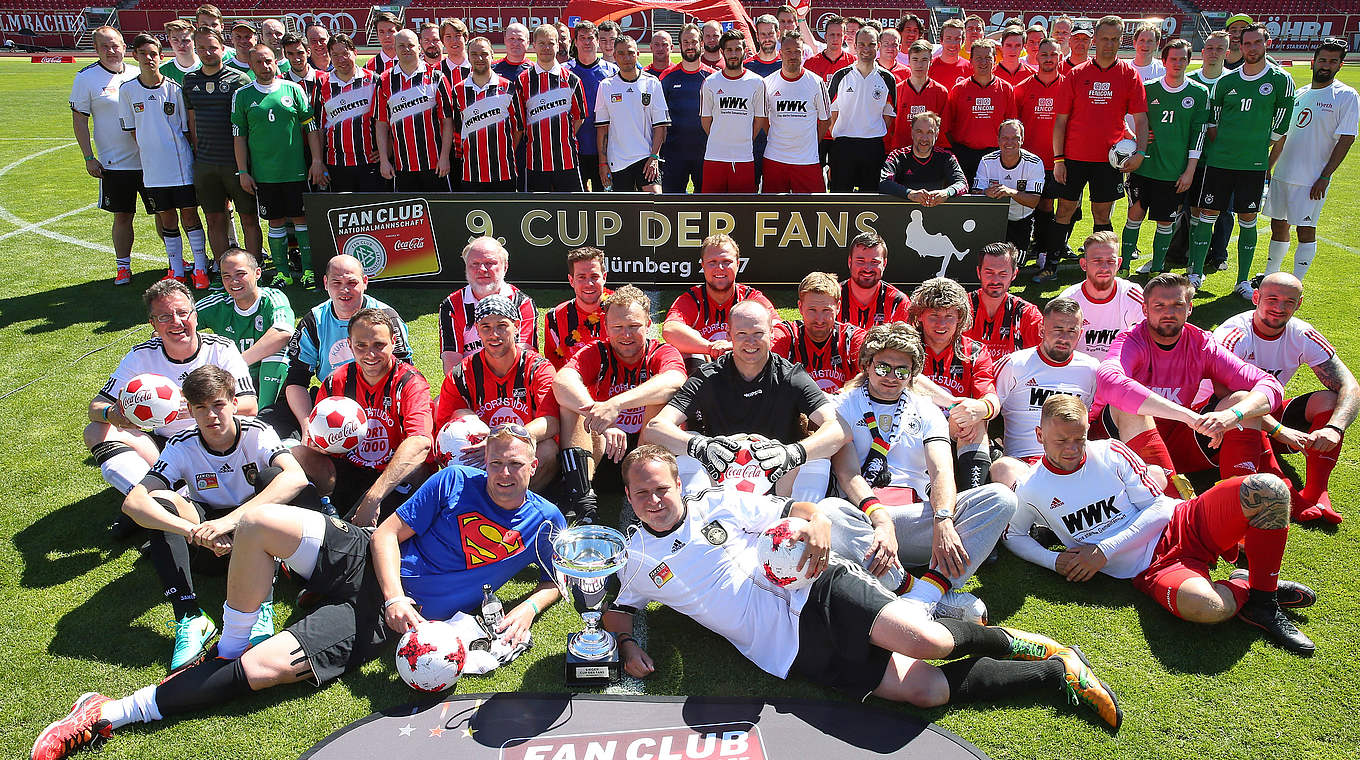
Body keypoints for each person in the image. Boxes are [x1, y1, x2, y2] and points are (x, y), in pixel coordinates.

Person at [30, 428, 564, 760]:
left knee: (260, 674)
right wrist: (396, 592)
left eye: (516, 464)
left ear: (533, 467)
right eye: (496, 462)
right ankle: (230, 644)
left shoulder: (546, 520)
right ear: (484, 462)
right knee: (259, 523)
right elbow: (384, 534)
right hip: (369, 562)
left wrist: (528, 606)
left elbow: (562, 577)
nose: (504, 473)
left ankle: (109, 713)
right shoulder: (453, 481)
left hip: (386, 620)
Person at [603, 445, 1120, 729]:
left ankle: (1023, 642)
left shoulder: (717, 504)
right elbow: (620, 607)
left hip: (815, 591)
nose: (654, 500)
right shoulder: (636, 559)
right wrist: (626, 642)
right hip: (783, 651)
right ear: (628, 494)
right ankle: (1057, 670)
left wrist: (818, 525)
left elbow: (799, 510)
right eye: (642, 492)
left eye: (662, 488)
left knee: (930, 642)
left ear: (677, 485)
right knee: (925, 691)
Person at [1005, 395, 1316, 655]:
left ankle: (1264, 600)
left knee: (1268, 490)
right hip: (1152, 569)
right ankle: (1247, 585)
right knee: (1208, 607)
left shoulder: (1111, 451)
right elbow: (1014, 535)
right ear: (1039, 435)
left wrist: (1103, 550)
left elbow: (1161, 505)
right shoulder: (1031, 488)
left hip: (1187, 521)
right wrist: (1054, 560)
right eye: (1061, 440)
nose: (1072, 448)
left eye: (1080, 438)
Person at [813, 322, 1014, 620]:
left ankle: (923, 593)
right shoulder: (844, 405)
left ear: (913, 374)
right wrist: (880, 520)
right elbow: (847, 473)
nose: (892, 377)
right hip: (865, 524)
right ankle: (921, 593)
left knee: (1001, 498)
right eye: (882, 368)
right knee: (828, 512)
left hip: (919, 521)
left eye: (902, 370)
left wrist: (943, 520)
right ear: (867, 365)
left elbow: (942, 470)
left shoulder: (926, 408)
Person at [121, 365, 310, 668]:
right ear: (190, 411)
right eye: (201, 408)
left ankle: (260, 605)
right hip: (209, 542)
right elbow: (134, 502)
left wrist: (230, 521)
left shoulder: (256, 433)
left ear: (235, 403)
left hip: (254, 534)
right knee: (159, 501)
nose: (211, 416)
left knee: (274, 476)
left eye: (218, 405)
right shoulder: (181, 444)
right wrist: (191, 531)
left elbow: (296, 477)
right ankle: (189, 616)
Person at [1093, 273, 1283, 496]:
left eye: (1177, 305)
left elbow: (1270, 385)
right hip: (1117, 444)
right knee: (1129, 407)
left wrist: (1232, 416)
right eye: (1159, 305)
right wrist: (1188, 416)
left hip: (1176, 437)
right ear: (1145, 310)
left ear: (1190, 308)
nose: (1169, 312)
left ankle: (1240, 497)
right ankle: (1174, 503)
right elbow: (1109, 381)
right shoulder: (1131, 339)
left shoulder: (1202, 343)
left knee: (1242, 401)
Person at [85, 280, 256, 517]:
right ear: (153, 324)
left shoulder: (221, 349)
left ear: (195, 316)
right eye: (164, 317)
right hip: (165, 444)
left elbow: (249, 406)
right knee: (96, 430)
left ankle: (155, 506)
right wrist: (112, 414)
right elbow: (96, 406)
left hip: (216, 439)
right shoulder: (141, 355)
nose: (176, 322)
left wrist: (192, 406)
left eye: (182, 313)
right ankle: (152, 498)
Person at [646, 300, 832, 500]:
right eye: (742, 334)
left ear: (771, 332)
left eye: (758, 333)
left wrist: (793, 453)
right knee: (686, 451)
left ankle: (798, 521)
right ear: (729, 335)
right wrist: (702, 447)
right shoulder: (709, 376)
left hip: (779, 476)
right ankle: (699, 518)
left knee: (819, 456)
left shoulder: (790, 375)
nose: (750, 342)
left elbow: (838, 427)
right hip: (722, 475)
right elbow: (654, 428)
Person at [1212, 273, 1357, 523]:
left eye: (1289, 302)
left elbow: (1350, 386)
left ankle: (1317, 491)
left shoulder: (1302, 334)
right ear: (1256, 298)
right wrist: (1280, 431)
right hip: (1221, 423)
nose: (1280, 308)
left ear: (1299, 304)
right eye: (1272, 299)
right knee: (1244, 400)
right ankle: (1285, 488)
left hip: (1267, 419)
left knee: (1329, 401)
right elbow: (1227, 397)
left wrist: (1334, 427)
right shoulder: (1233, 334)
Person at [553, 286, 687, 520]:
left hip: (647, 453)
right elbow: (562, 381)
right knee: (571, 406)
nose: (626, 334)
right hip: (606, 448)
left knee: (660, 400)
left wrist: (614, 404)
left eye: (634, 326)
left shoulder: (662, 352)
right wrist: (600, 417)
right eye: (618, 327)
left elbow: (675, 381)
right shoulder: (596, 351)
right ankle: (583, 499)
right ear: (606, 328)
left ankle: (646, 492)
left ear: (648, 324)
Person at [292, 308, 433, 527]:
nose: (370, 354)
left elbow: (421, 443)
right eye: (361, 346)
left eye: (379, 345)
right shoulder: (336, 381)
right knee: (295, 455)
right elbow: (316, 438)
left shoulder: (410, 383)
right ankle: (325, 506)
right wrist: (316, 441)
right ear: (349, 344)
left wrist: (373, 498)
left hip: (393, 476)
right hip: (351, 469)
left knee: (354, 531)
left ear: (394, 342)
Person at [1037, 16, 1148, 284]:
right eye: (1104, 38)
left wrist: (1140, 153)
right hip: (1074, 158)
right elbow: (1060, 121)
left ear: (1121, 41)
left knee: (1102, 213)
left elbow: (1141, 119)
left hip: (1109, 161)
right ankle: (1051, 264)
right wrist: (1059, 159)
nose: (1109, 44)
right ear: (1095, 40)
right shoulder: (1076, 74)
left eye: (1114, 39)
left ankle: (1101, 264)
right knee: (1064, 210)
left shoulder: (1129, 74)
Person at [1190, 23, 1295, 300]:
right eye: (1246, 43)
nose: (1251, 48)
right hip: (1220, 163)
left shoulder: (1280, 80)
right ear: (1240, 46)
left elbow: (1282, 124)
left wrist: (1258, 146)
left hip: (1253, 166)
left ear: (1266, 44)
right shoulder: (1227, 82)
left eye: (1256, 43)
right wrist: (1226, 146)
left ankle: (1242, 281)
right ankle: (1195, 273)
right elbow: (1211, 122)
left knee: (1247, 219)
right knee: (1206, 215)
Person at [272, 255, 412, 439]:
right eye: (336, 282)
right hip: (332, 403)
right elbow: (297, 381)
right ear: (325, 283)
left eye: (352, 282)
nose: (344, 290)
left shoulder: (387, 318)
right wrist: (307, 424)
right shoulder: (314, 321)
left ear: (364, 282)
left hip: (380, 402)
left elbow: (405, 375)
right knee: (271, 418)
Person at [433, 296, 560, 493]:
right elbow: (445, 431)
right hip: (480, 458)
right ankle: (480, 500)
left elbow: (551, 421)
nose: (494, 334)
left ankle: (518, 502)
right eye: (486, 327)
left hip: (521, 453)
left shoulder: (537, 368)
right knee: (461, 415)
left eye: (502, 325)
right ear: (477, 330)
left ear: (516, 326)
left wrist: (501, 441)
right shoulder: (460, 375)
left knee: (549, 450)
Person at [1263, 38, 1356, 281]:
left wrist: (1325, 176)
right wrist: (1270, 166)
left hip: (1311, 179)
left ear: (1340, 66)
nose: (1326, 65)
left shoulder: (1346, 95)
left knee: (1305, 229)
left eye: (1333, 61)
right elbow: (1284, 134)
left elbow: (1346, 139)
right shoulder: (1300, 93)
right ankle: (1271, 278)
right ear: (1313, 62)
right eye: (1323, 60)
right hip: (1284, 173)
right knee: (1278, 226)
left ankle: (1297, 282)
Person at [232, 43, 324, 289]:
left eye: (269, 60)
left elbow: (311, 127)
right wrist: (243, 171)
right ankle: (282, 272)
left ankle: (308, 271)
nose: (265, 66)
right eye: (259, 62)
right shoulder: (242, 95)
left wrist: (316, 160)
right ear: (251, 65)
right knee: (275, 221)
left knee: (301, 219)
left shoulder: (293, 89)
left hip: (295, 170)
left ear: (276, 61)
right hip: (264, 174)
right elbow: (239, 137)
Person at [121, 34, 209, 289]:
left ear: (161, 56)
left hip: (180, 166)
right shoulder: (127, 91)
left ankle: (201, 268)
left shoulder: (174, 88)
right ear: (134, 56)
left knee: (190, 216)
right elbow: (132, 130)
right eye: (143, 53)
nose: (149, 58)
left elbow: (185, 128)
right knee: (167, 219)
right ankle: (177, 269)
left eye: (153, 54)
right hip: (152, 169)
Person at [1124, 39, 1210, 279]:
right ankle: (1124, 267)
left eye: (1183, 59)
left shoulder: (1198, 92)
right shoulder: (1148, 88)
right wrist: (1134, 136)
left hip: (1174, 172)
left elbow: (1198, 135)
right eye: (1173, 59)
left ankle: (1157, 269)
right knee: (1134, 214)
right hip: (1144, 168)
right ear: (1164, 61)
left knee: (1165, 222)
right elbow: (1128, 117)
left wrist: (1190, 171)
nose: (1178, 63)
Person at [71, 26, 145, 285]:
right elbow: (79, 120)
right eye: (105, 46)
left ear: (125, 46)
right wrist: (88, 157)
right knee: (123, 215)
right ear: (96, 50)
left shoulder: (139, 73)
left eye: (115, 45)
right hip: (114, 164)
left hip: (150, 160)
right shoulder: (86, 78)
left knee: (165, 213)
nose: (112, 50)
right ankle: (123, 266)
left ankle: (175, 261)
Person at [909, 277, 998, 491]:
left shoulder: (974, 351)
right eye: (934, 316)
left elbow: (991, 398)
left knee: (975, 420)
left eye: (949, 316)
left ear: (960, 317)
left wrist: (981, 408)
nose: (942, 324)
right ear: (920, 315)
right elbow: (907, 379)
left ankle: (974, 495)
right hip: (912, 427)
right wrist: (951, 408)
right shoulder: (906, 345)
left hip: (957, 430)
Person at [989, 298, 1099, 465]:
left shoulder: (1091, 369)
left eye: (1072, 331)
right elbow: (985, 407)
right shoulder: (1014, 364)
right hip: (1023, 463)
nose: (1064, 337)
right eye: (1057, 329)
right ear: (1041, 330)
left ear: (1081, 334)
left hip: (1073, 462)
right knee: (1003, 467)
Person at [183, 27, 261, 261]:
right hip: (206, 164)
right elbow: (191, 121)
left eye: (213, 47)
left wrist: (246, 164)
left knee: (248, 217)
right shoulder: (190, 81)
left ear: (222, 48)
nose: (208, 52)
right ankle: (221, 268)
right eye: (202, 48)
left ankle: (253, 267)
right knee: (215, 218)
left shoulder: (239, 79)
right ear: (196, 50)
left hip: (236, 163)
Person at [193, 246, 293, 406]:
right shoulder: (217, 303)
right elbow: (178, 323)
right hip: (232, 381)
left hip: (264, 376)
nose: (234, 281)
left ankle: (264, 413)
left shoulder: (272, 298)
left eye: (240, 274)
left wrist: (235, 363)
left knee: (277, 351)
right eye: (227, 276)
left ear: (257, 273)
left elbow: (283, 333)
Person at [662, 234, 777, 371]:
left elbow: (779, 331)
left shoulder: (751, 299)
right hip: (705, 369)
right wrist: (710, 348)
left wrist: (734, 346)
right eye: (712, 262)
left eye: (726, 261)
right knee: (689, 352)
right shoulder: (692, 299)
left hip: (745, 368)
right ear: (702, 265)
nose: (720, 268)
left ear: (738, 263)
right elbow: (670, 330)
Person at [437, 237, 537, 374]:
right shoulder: (452, 305)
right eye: (475, 264)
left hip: (514, 382)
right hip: (469, 382)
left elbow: (524, 360)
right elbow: (452, 366)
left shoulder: (522, 303)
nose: (482, 269)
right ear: (466, 267)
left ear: (505, 266)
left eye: (490, 263)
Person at [372, 29, 455, 193]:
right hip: (402, 166)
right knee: (409, 217)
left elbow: (447, 121)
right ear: (395, 49)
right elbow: (381, 124)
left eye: (410, 45)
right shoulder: (384, 80)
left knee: (439, 214)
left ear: (419, 48)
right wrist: (384, 160)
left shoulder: (436, 77)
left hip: (436, 163)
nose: (406, 49)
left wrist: (445, 156)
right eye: (401, 45)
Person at [1014, 36, 1068, 271]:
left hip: (1057, 160)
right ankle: (1024, 249)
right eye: (1044, 54)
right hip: (1028, 160)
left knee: (1048, 205)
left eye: (1053, 55)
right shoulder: (1022, 88)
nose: (1048, 59)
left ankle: (1045, 249)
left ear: (1060, 57)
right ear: (1036, 57)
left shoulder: (1069, 86)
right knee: (1026, 205)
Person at [513, 24, 587, 192]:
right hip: (534, 160)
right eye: (542, 43)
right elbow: (520, 122)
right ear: (534, 46)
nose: (546, 48)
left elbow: (579, 117)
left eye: (551, 43)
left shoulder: (572, 80)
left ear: (558, 45)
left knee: (572, 209)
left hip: (567, 159)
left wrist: (561, 137)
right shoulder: (523, 80)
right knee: (537, 210)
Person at [826, 26, 896, 192]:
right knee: (840, 197)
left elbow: (889, 114)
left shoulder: (887, 78)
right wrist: (840, 134)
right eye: (862, 44)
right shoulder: (841, 76)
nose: (866, 49)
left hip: (873, 146)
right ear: (855, 46)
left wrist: (870, 130)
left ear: (878, 46)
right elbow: (831, 113)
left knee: (870, 197)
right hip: (844, 145)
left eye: (871, 44)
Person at [596, 36, 669, 193]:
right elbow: (602, 129)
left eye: (630, 53)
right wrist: (603, 163)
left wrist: (654, 157)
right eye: (621, 54)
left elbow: (660, 126)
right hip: (618, 160)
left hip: (646, 157)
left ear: (638, 54)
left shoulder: (652, 83)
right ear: (614, 56)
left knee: (655, 200)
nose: (626, 58)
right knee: (625, 210)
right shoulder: (606, 86)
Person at [760, 30, 830, 193]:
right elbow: (763, 118)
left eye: (797, 51)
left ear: (803, 53)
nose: (793, 56)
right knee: (773, 211)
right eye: (788, 51)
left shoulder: (816, 82)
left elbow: (826, 120)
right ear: (780, 54)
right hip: (775, 158)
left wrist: (810, 142)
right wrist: (776, 137)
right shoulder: (768, 82)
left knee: (812, 212)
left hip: (807, 160)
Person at [312, 34, 384, 193]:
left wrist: (387, 149)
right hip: (336, 164)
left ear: (355, 53)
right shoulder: (322, 83)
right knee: (342, 214)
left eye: (345, 53)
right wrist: (318, 161)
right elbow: (318, 126)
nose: (341, 59)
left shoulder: (374, 80)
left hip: (370, 162)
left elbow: (386, 120)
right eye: (335, 55)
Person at [771, 272, 865, 393]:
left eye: (826, 310)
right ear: (800, 307)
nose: (819, 320)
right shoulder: (787, 334)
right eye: (812, 310)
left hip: (842, 407)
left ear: (838, 307)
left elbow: (874, 368)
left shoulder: (851, 337)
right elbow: (763, 364)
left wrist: (840, 396)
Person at [1057, 232, 1144, 360]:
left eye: (1110, 261)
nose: (1104, 267)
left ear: (1119, 263)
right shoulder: (1068, 300)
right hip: (1080, 374)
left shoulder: (1132, 294)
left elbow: (1156, 336)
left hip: (1119, 373)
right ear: (1084, 264)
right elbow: (1054, 348)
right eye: (1097, 261)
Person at [700, 29, 767, 193]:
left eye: (738, 49)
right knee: (711, 210)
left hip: (744, 157)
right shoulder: (710, 83)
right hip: (714, 157)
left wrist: (742, 138)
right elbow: (705, 120)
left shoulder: (757, 82)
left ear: (745, 51)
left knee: (742, 210)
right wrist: (721, 136)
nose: (734, 54)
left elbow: (759, 120)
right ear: (722, 52)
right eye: (729, 50)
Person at [450, 36, 520, 192]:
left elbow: (518, 128)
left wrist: (505, 151)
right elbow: (456, 129)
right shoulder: (458, 90)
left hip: (504, 171)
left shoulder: (508, 87)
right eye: (474, 54)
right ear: (468, 57)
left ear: (492, 55)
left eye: (484, 54)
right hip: (471, 172)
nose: (479, 58)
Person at [945, 39, 1016, 184]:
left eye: (988, 58)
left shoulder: (1006, 89)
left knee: (991, 199)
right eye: (978, 58)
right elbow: (947, 127)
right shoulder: (959, 89)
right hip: (964, 154)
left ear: (995, 60)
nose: (983, 62)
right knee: (965, 198)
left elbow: (1011, 125)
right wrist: (960, 148)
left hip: (995, 154)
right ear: (970, 61)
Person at [962, 243, 1042, 364]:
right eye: (989, 272)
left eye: (1003, 274)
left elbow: (1042, 358)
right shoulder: (960, 309)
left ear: (1014, 274)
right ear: (979, 272)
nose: (995, 280)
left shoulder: (1028, 314)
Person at [974, 119, 1044, 253]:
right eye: (1005, 138)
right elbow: (975, 193)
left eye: (1015, 138)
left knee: (1016, 263)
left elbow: (1033, 201)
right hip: (993, 218)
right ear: (998, 140)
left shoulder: (1034, 163)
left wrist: (1010, 192)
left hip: (1021, 219)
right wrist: (985, 192)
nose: (1009, 143)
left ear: (1022, 140)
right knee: (991, 258)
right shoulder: (986, 161)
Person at [658, 23, 713, 193]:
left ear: (701, 44)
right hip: (675, 154)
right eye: (686, 42)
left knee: (705, 205)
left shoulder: (712, 77)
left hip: (705, 153)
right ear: (680, 45)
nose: (690, 46)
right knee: (671, 204)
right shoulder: (667, 77)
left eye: (694, 42)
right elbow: (660, 117)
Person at [566, 21, 618, 191]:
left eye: (591, 38)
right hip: (573, 148)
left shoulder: (612, 72)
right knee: (575, 202)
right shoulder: (564, 71)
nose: (587, 42)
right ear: (575, 42)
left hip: (604, 150)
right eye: (582, 38)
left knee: (604, 200)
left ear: (597, 41)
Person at [543, 246, 611, 369]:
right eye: (581, 277)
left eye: (594, 276)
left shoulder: (621, 312)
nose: (588, 284)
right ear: (571, 280)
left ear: (604, 277)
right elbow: (554, 366)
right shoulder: (555, 317)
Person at [879, 111, 967, 203]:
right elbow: (884, 183)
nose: (924, 138)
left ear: (936, 135)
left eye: (929, 132)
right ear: (912, 132)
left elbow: (962, 184)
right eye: (919, 132)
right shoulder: (896, 156)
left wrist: (947, 192)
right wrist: (909, 193)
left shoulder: (947, 157)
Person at [839, 231, 911, 331]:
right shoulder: (832, 297)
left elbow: (904, 344)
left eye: (874, 262)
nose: (867, 269)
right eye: (860, 261)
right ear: (850, 262)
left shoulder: (898, 302)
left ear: (884, 264)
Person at [891, 40, 950, 154]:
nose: (919, 65)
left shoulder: (940, 91)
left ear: (931, 61)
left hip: (930, 155)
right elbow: (891, 128)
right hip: (901, 153)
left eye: (924, 60)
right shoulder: (897, 91)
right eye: (915, 59)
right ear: (909, 61)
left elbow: (943, 128)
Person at [804, 14, 850, 81]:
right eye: (832, 34)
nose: (835, 38)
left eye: (839, 35)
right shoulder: (811, 63)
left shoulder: (853, 63)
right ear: (825, 37)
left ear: (845, 37)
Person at [929, 19, 971, 90]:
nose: (953, 44)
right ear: (941, 40)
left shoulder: (970, 68)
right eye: (948, 38)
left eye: (957, 39)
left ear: (963, 41)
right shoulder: (929, 66)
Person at [159, 20, 200, 84]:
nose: (181, 45)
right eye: (175, 40)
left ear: (195, 41)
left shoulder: (207, 66)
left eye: (185, 40)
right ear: (170, 40)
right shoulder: (162, 71)